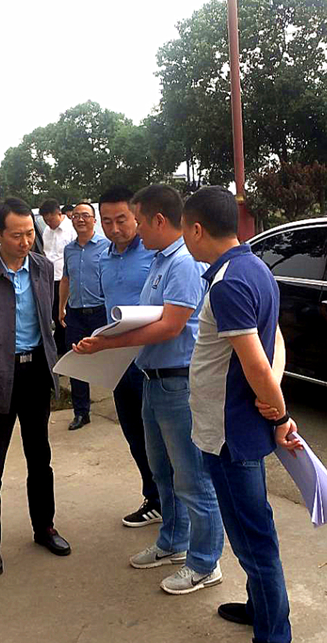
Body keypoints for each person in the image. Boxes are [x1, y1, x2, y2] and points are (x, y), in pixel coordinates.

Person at [74, 184, 224, 596]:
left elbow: (171, 325)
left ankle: (205, 563)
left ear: (158, 220)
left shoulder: (184, 263)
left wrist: (107, 343)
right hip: (152, 379)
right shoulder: (160, 261)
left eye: (137, 220)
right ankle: (173, 541)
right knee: (163, 471)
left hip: (179, 381)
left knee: (192, 477)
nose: (134, 228)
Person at [182, 186, 301, 643]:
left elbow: (255, 361)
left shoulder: (229, 282)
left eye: (185, 231)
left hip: (230, 433)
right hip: (236, 426)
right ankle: (259, 608)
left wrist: (279, 415)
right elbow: (276, 342)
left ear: (196, 229)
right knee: (255, 529)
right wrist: (276, 407)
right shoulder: (254, 268)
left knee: (254, 541)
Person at [0, 197, 71, 576]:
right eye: (17, 235)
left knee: (40, 457)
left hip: (35, 372)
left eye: (29, 234)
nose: (25, 242)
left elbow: (45, 320)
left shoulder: (41, 267)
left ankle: (45, 527)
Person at [95, 187, 160, 527]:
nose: (115, 228)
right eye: (107, 222)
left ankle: (175, 505)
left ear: (136, 216)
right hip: (119, 361)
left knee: (160, 438)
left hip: (152, 360)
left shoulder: (155, 253)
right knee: (135, 435)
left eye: (121, 220)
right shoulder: (104, 258)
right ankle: (155, 498)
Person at [58, 202, 110, 431]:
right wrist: (61, 307)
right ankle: (81, 412)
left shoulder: (107, 246)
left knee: (113, 360)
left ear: (94, 220)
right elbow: (65, 279)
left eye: (85, 215)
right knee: (76, 362)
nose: (80, 219)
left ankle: (124, 406)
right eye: (76, 215)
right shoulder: (68, 250)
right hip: (76, 313)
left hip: (101, 311)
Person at [39, 198, 76, 355]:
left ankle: (67, 345)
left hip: (66, 278)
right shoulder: (47, 232)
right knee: (55, 312)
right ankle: (59, 346)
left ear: (59, 214)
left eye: (51, 220)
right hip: (50, 278)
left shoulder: (71, 229)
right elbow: (47, 253)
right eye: (45, 221)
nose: (49, 223)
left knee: (66, 313)